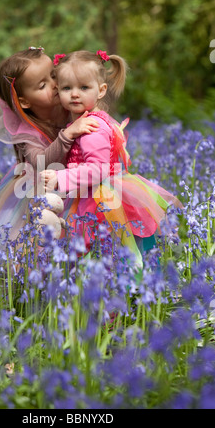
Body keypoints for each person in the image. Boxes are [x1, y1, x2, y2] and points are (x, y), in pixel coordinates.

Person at [41, 50, 183, 267]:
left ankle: (111, 292)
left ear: (101, 90)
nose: (75, 94)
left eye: (84, 87)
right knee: (111, 250)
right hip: (97, 193)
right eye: (67, 88)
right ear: (58, 90)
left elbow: (98, 170)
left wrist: (60, 178)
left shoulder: (91, 128)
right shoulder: (94, 119)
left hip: (99, 199)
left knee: (103, 250)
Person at [0, 47, 100, 243]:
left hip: (77, 179)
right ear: (24, 102)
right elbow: (41, 163)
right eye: (42, 85)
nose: (55, 85)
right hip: (44, 190)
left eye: (53, 76)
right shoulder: (26, 132)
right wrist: (68, 135)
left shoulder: (69, 107)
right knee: (47, 234)